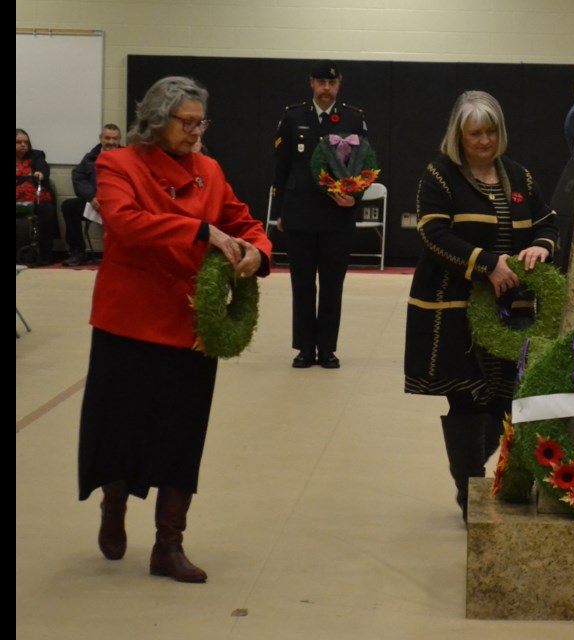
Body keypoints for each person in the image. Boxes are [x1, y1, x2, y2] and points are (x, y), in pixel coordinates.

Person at [76, 76, 271, 583]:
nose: (195, 132)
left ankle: (169, 544)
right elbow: (125, 222)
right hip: (130, 321)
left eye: (200, 122)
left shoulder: (210, 169)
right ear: (157, 121)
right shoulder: (117, 163)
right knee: (120, 428)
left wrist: (257, 252)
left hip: (190, 326)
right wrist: (200, 230)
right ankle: (113, 503)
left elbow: (244, 221)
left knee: (183, 435)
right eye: (186, 123)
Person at [404, 90, 559, 521]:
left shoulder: (520, 177)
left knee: (508, 399)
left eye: (491, 131)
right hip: (453, 309)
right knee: (466, 398)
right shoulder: (438, 177)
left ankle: (490, 475)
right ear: (459, 135)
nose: (484, 141)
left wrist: (542, 247)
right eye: (475, 133)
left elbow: (547, 220)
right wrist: (486, 265)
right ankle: (468, 484)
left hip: (515, 313)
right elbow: (433, 235)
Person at [273, 60, 367, 369]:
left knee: (331, 285)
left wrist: (353, 198)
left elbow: (365, 165)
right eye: (321, 83)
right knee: (301, 284)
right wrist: (280, 213)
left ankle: (327, 348)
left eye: (332, 83)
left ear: (338, 85)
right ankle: (304, 347)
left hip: (336, 217)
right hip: (299, 214)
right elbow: (281, 168)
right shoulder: (293, 117)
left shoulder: (352, 118)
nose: (326, 89)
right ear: (311, 84)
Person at [60, 124, 123, 266]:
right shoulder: (90, 158)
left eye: (115, 139)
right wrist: (92, 197)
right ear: (101, 139)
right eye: (107, 138)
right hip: (94, 201)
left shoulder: (129, 157)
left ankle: (125, 254)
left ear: (119, 140)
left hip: (120, 202)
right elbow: (78, 177)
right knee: (69, 206)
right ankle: (78, 252)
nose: (111, 142)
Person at [15, 128, 57, 265]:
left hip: (35, 196)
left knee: (46, 209)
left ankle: (45, 255)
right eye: (19, 142)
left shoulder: (37, 155)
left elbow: (43, 168)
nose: (23, 145)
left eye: (26, 142)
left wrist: (40, 173)